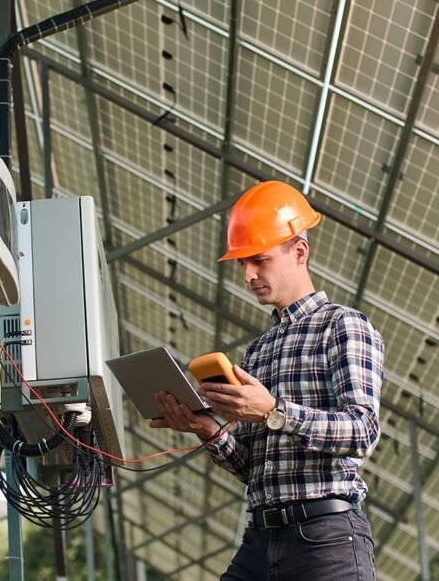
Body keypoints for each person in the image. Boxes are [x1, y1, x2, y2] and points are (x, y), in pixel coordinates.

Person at [151, 180, 385, 580]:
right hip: (261, 537)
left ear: (299, 251)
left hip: (326, 540)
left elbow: (363, 431)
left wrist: (275, 412)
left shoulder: (342, 326)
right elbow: (254, 468)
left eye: (258, 260)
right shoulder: (257, 351)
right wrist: (207, 429)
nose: (248, 274)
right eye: (242, 263)